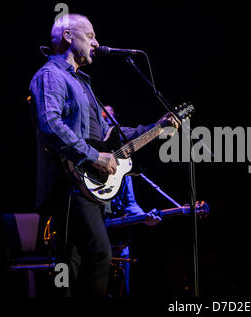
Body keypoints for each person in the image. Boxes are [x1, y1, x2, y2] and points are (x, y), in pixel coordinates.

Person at [29, 13, 179, 297]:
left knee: (72, 265)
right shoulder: (51, 75)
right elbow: (49, 124)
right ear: (68, 36)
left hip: (89, 188)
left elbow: (112, 137)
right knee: (99, 256)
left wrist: (156, 128)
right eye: (90, 35)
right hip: (70, 186)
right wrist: (93, 157)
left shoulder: (83, 83)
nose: (97, 42)